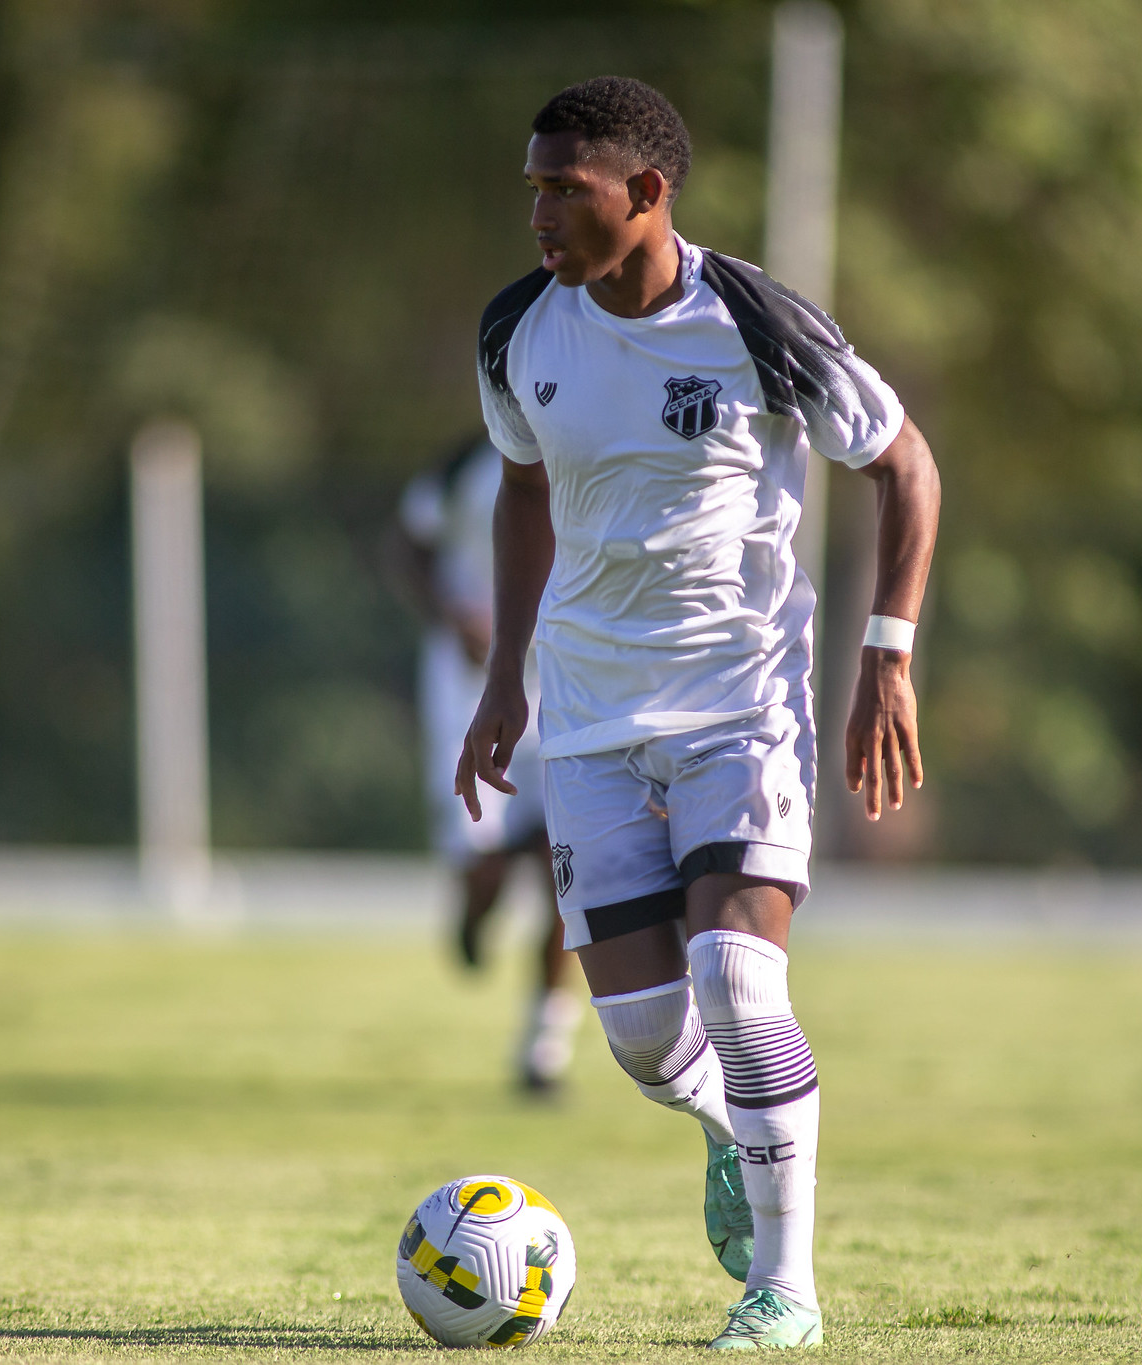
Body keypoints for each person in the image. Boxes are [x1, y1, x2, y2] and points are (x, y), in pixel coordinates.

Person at [456, 77, 939, 1349]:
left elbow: (901, 464)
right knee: (636, 1038)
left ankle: (784, 1293)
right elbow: (520, 495)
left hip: (742, 707)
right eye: (534, 190)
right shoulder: (517, 331)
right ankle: (735, 1132)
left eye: (566, 189)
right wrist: (504, 675)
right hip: (592, 714)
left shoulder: (757, 324)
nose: (541, 215)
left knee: (735, 976)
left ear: (647, 194)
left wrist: (885, 656)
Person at [392, 437, 582, 1094]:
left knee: (569, 874)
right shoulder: (464, 465)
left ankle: (543, 1046)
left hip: (570, 686)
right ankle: (474, 911)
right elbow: (410, 545)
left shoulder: (599, 444)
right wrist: (453, 613)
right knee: (487, 863)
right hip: (470, 686)